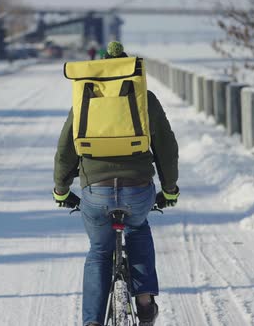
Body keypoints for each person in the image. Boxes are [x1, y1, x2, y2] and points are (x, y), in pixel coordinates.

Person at [53, 41, 179, 326]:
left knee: (99, 251)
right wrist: (169, 189)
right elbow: (167, 148)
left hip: (95, 192)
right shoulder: (144, 99)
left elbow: (65, 151)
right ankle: (145, 301)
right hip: (137, 189)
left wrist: (62, 190)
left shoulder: (84, 100)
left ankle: (92, 322)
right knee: (137, 228)